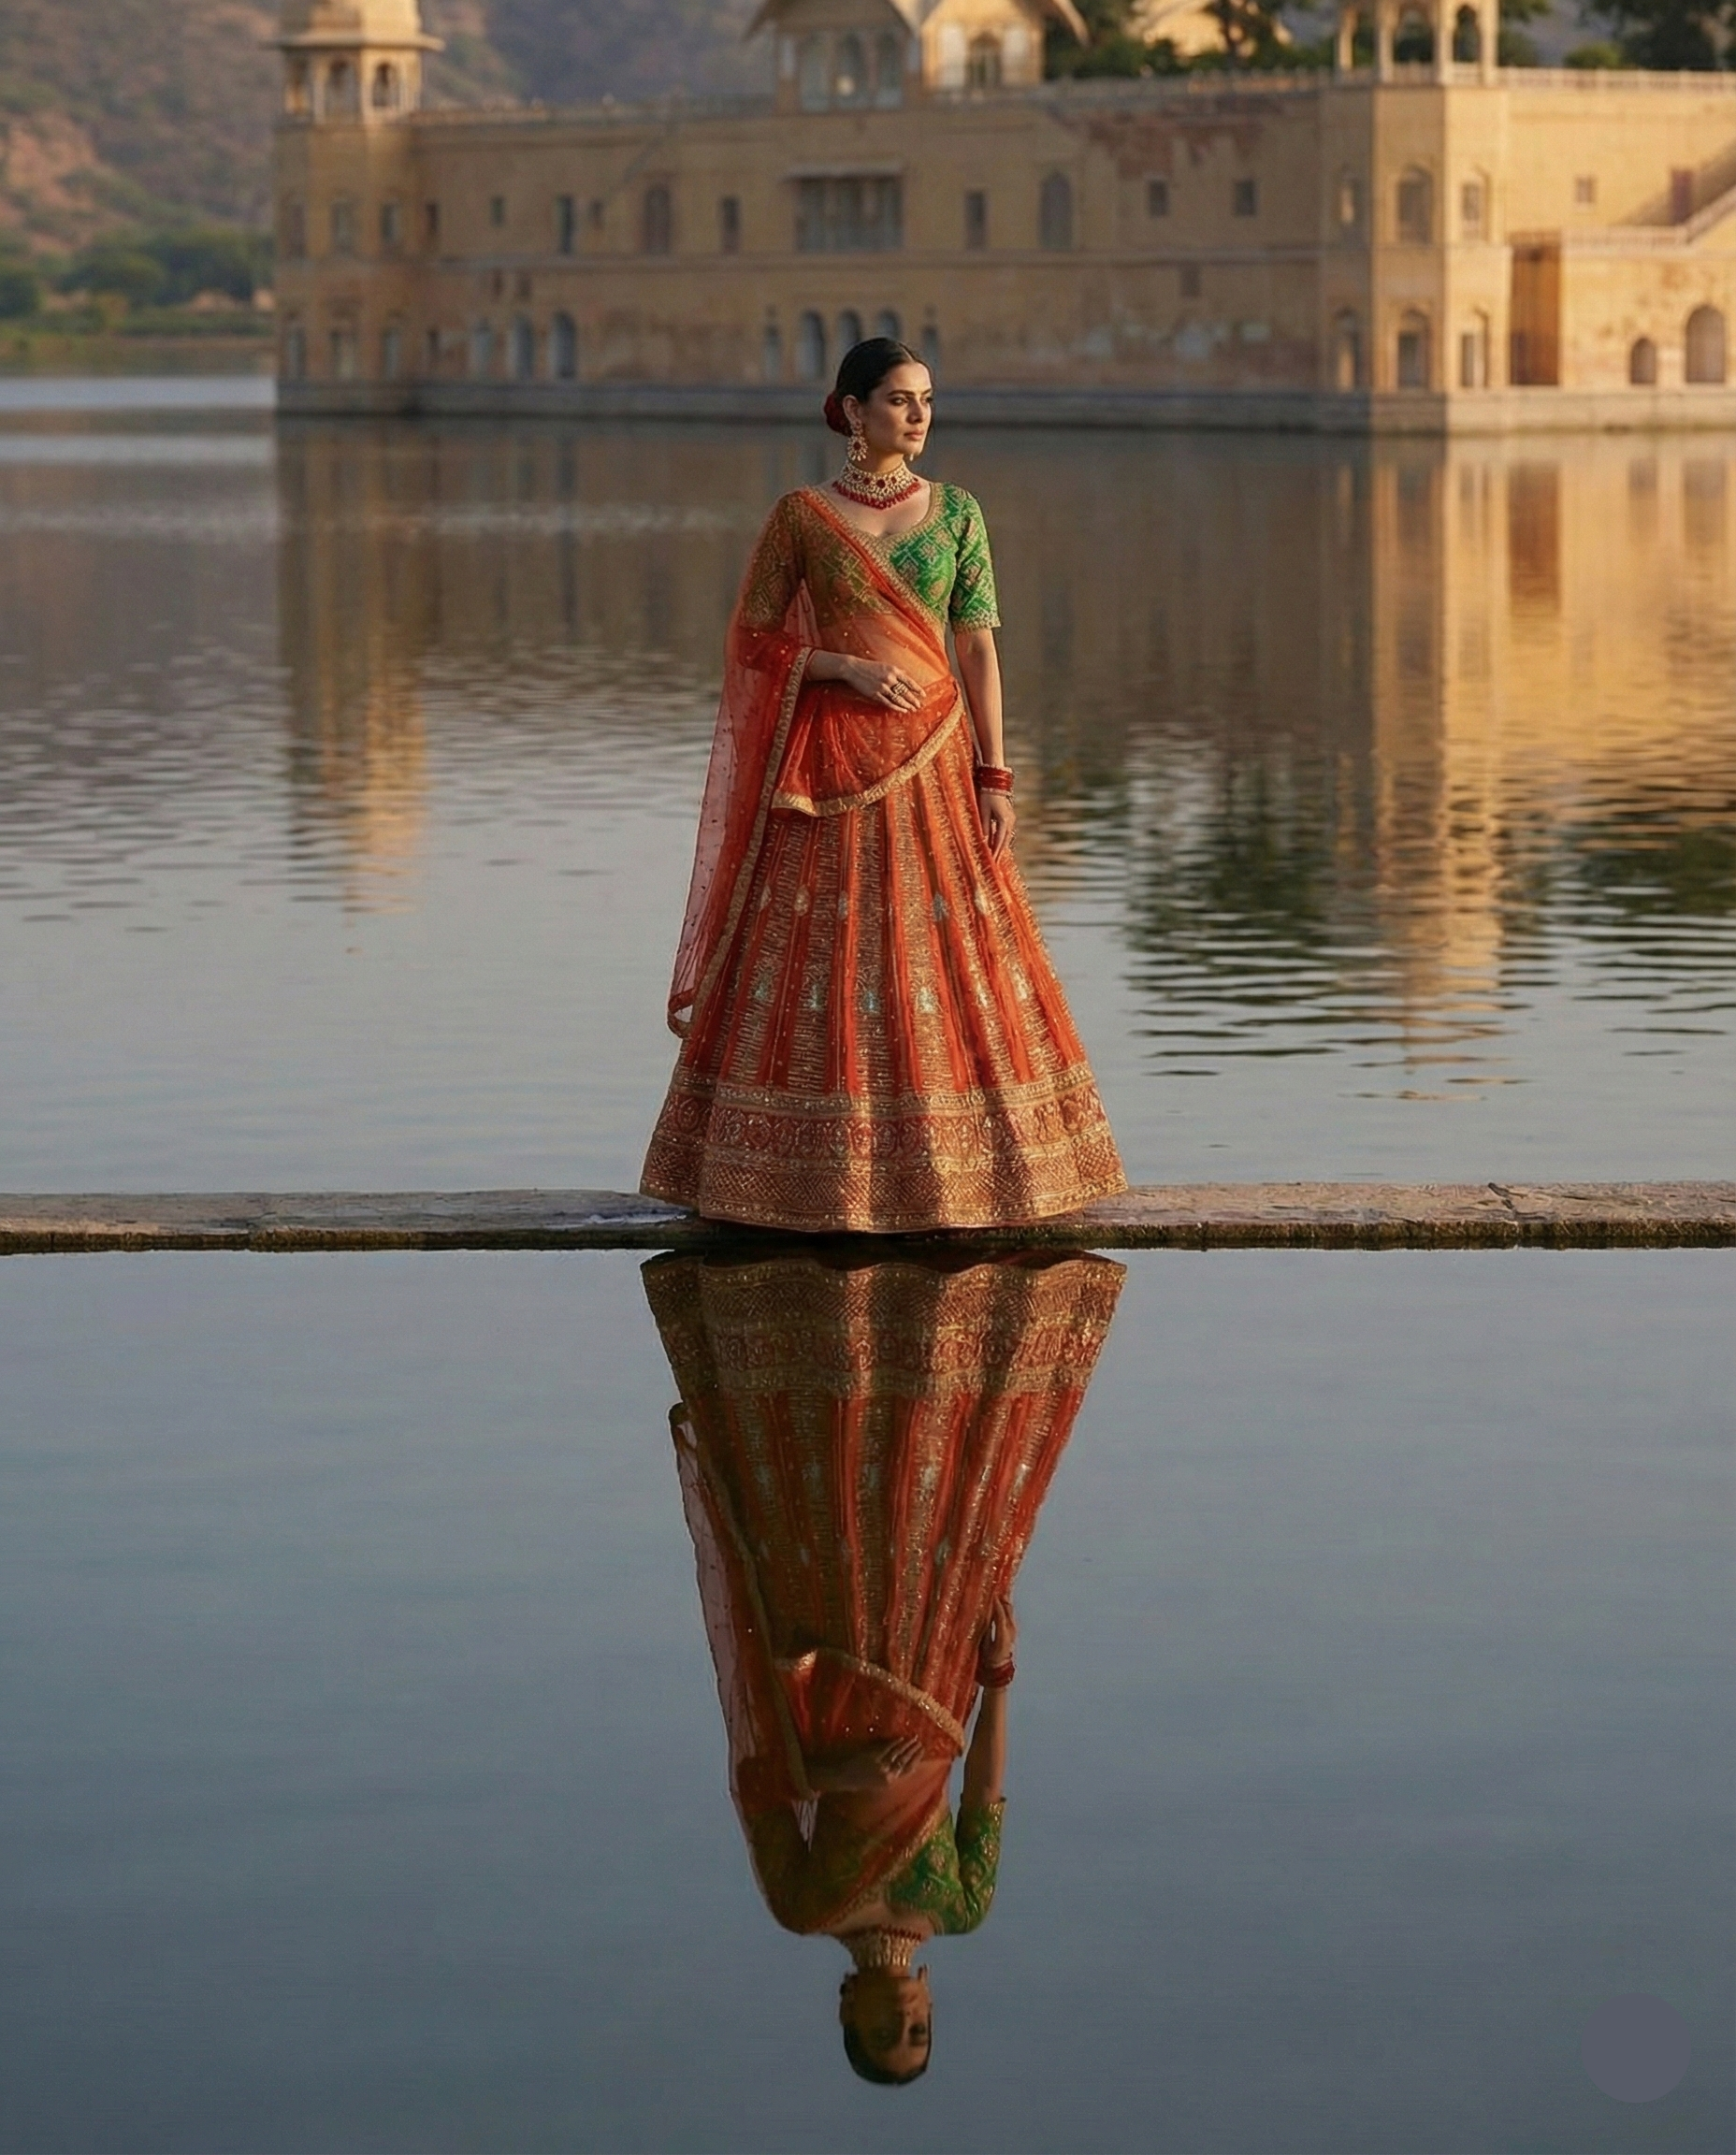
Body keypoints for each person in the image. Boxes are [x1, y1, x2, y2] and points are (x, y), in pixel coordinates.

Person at [640, 337, 1125, 1233]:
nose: (919, 416)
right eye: (900, 400)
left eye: (928, 400)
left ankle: (968, 1176)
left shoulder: (960, 513)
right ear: (852, 412)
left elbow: (977, 645)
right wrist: (836, 667)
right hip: (826, 770)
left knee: (941, 959)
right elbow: (751, 644)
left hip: (937, 766)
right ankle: (793, 1181)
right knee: (829, 957)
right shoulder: (802, 518)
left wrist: (996, 772)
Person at [643, 1247, 1126, 2083]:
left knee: (842, 1514)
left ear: (847, 2014)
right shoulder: (965, 1908)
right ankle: (945, 1316)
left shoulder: (803, 1907)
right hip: (939, 1678)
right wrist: (1002, 1675)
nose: (904, 2026)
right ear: (931, 2006)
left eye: (885, 2037)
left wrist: (843, 1773)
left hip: (840, 1686)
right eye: (920, 2035)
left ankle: (823, 1320)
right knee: (930, 1501)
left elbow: (761, 1780)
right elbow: (983, 1793)